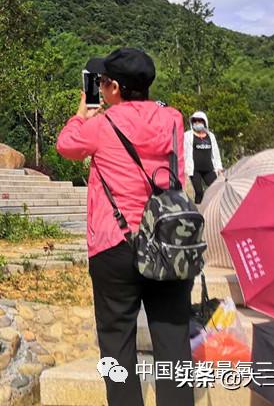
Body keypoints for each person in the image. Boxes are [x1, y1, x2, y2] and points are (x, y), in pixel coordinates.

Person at [56, 48, 193, 406]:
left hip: (114, 245)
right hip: (167, 240)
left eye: (102, 83)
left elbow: (66, 146)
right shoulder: (173, 119)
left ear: (114, 87)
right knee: (174, 340)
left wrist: (80, 115)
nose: (100, 89)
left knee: (116, 345)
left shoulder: (100, 125)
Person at [183, 111, 223, 204]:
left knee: (216, 189)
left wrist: (219, 168)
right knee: (199, 192)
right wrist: (184, 169)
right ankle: (198, 212)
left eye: (199, 121)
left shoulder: (210, 136)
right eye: (195, 121)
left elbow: (215, 152)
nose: (197, 123)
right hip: (194, 170)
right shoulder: (188, 136)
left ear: (204, 122)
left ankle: (212, 209)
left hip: (208, 169)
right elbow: (184, 152)